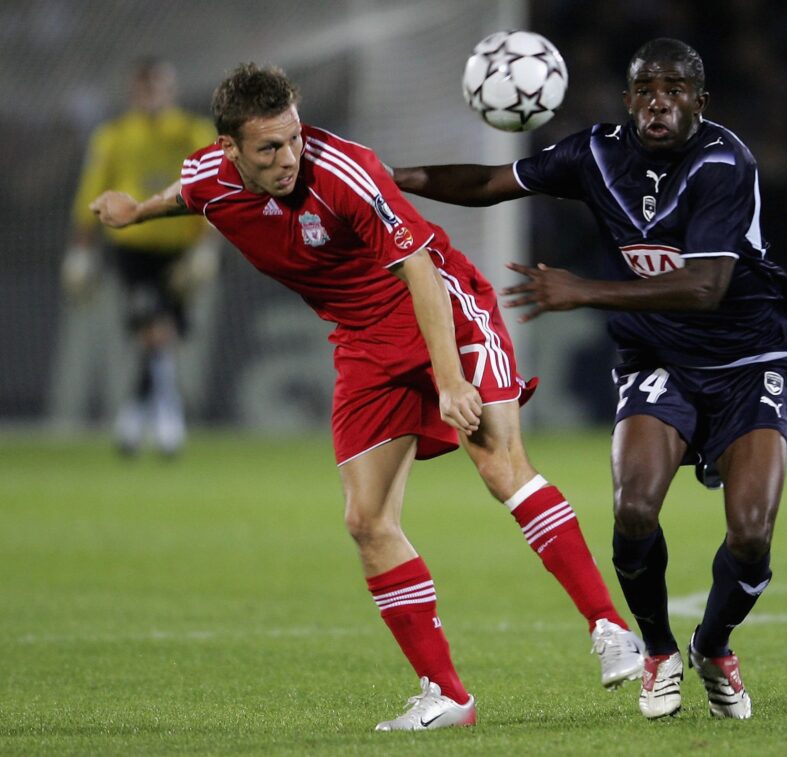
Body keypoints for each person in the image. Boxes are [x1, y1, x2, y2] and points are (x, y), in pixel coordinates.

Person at [89, 63, 643, 732]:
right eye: (269, 147)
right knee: (366, 520)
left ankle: (612, 628)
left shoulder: (345, 172)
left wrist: (449, 380)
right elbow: (192, 191)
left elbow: (419, 270)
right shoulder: (212, 174)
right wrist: (137, 210)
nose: (289, 156)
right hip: (362, 342)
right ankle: (447, 695)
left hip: (447, 312)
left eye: (293, 138)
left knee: (499, 466)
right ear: (232, 149)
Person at [392, 38, 787, 720]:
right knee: (634, 508)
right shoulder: (596, 152)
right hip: (658, 357)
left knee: (752, 533)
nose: (659, 102)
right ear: (628, 100)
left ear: (699, 102)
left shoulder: (724, 162)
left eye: (675, 89)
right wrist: (395, 177)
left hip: (749, 357)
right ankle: (658, 652)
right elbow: (490, 184)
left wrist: (584, 290)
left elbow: (706, 286)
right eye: (646, 89)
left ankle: (714, 645)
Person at [63, 57, 218, 456]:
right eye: (145, 88)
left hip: (178, 247)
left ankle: (134, 416)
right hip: (132, 248)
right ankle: (168, 423)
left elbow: (213, 188)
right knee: (154, 331)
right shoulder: (113, 136)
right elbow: (92, 193)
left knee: (159, 337)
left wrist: (205, 246)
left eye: (159, 87)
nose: (152, 95)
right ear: (133, 92)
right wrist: (81, 249)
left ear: (172, 90)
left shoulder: (192, 131)